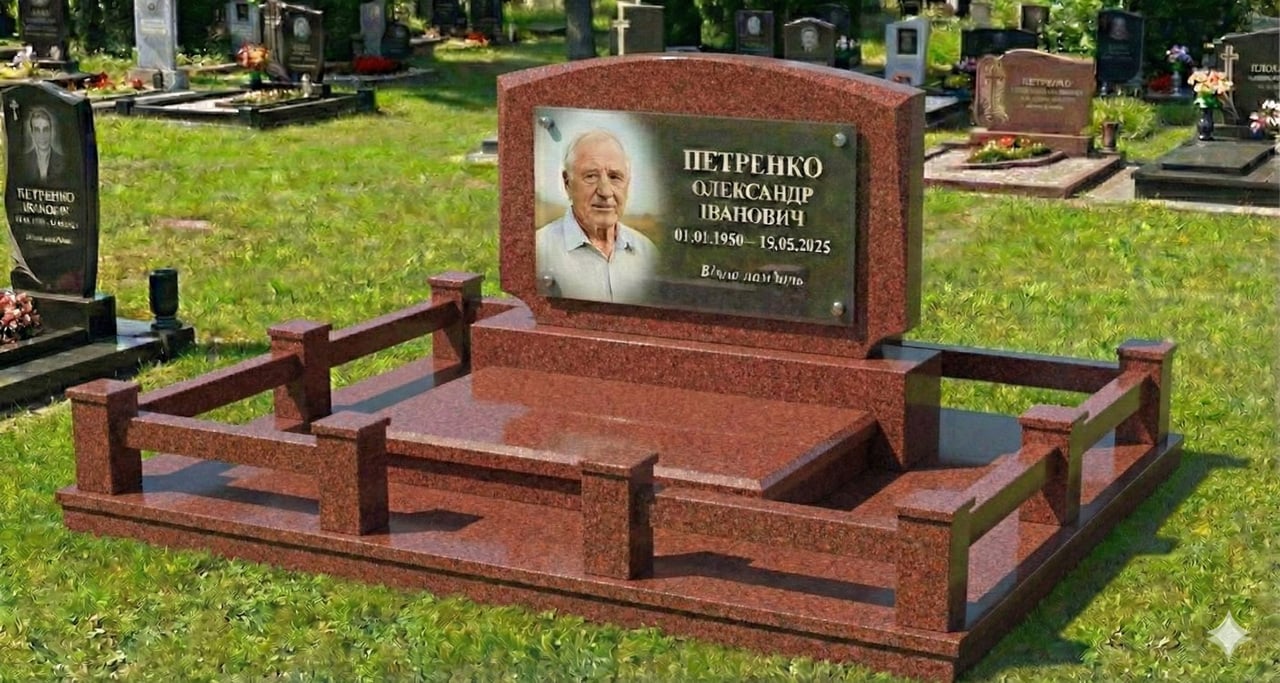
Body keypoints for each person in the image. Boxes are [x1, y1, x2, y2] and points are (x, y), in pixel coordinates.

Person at [535, 129, 658, 305]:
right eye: (591, 176)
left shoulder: (647, 252)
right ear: (567, 183)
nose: (605, 192)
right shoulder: (539, 250)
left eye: (615, 177)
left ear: (627, 184)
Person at [22, 106, 70, 187]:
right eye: (37, 130)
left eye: (46, 130)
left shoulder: (63, 161)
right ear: (32, 133)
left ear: (51, 131)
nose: (42, 136)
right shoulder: (23, 160)